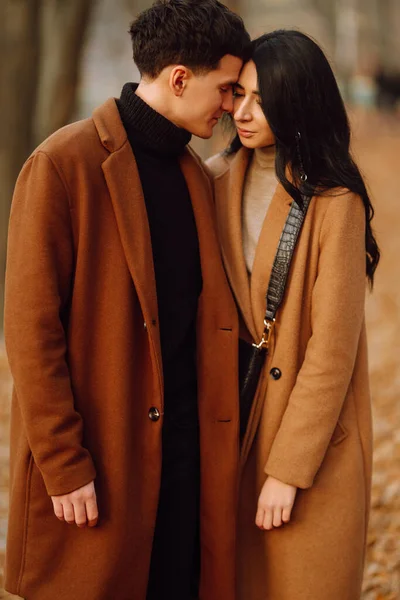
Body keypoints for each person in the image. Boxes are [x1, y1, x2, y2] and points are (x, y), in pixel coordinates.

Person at [4, 2, 250, 599]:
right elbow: (31, 334)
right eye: (226, 89)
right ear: (180, 79)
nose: (229, 107)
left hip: (185, 468)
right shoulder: (63, 165)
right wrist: (64, 465)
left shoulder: (194, 175)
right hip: (101, 467)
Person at [207, 30, 379, 600]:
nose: (244, 112)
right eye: (241, 94)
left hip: (307, 444)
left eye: (264, 100)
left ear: (299, 102)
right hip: (233, 426)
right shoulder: (214, 179)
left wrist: (287, 470)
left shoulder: (336, 201)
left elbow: (332, 352)